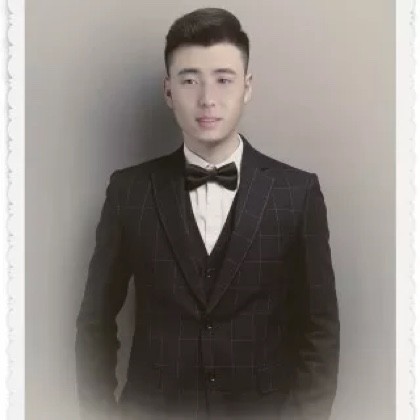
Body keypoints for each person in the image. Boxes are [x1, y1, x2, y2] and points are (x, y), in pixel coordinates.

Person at [75, 7, 340, 420]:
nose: (207, 99)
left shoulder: (297, 193)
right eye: (189, 80)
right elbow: (95, 322)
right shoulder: (128, 192)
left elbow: (320, 331)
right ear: (168, 91)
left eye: (223, 79)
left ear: (247, 87)